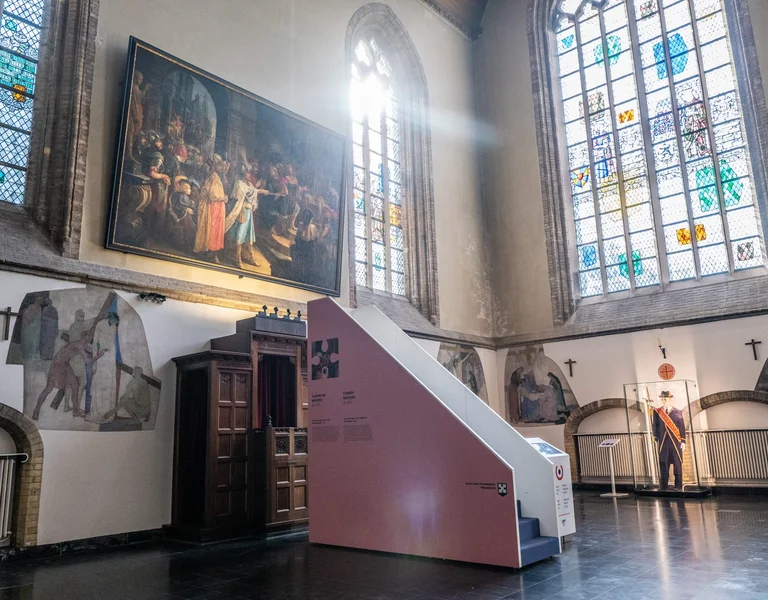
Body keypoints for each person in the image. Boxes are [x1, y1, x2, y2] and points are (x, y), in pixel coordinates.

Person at [31, 331, 107, 420]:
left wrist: (102, 350)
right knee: (49, 388)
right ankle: (36, 410)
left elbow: (93, 351)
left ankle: (76, 411)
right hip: (57, 365)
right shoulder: (78, 345)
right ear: (84, 336)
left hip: (66, 365)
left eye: (91, 335)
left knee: (75, 386)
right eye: (89, 335)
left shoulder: (84, 345)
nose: (91, 337)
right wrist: (99, 355)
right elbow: (87, 362)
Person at [225, 162, 270, 268]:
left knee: (249, 236)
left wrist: (263, 191)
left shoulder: (249, 184)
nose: (249, 175)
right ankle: (238, 259)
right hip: (242, 211)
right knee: (240, 235)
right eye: (247, 173)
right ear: (243, 173)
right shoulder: (239, 183)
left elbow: (253, 191)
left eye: (249, 173)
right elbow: (239, 199)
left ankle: (251, 257)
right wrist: (241, 213)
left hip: (249, 212)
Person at [194, 155, 229, 262]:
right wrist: (224, 198)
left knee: (216, 231)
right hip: (214, 208)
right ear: (215, 166)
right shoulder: (213, 177)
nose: (221, 168)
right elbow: (213, 195)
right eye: (219, 166)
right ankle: (213, 254)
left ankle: (211, 253)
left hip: (218, 208)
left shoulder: (217, 177)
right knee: (213, 231)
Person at [652, 391, 686, 491]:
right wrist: (656, 438)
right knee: (663, 464)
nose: (663, 401)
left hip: (675, 442)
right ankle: (664, 487)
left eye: (665, 399)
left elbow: (682, 427)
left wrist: (683, 441)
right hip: (663, 442)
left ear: (669, 399)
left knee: (677, 464)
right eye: (662, 399)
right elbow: (655, 426)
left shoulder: (678, 412)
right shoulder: (657, 412)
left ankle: (678, 486)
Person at [127, 71, 152, 162]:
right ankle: (128, 154)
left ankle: (130, 152)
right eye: (140, 79)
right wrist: (135, 116)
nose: (141, 81)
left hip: (139, 111)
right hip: (133, 112)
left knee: (135, 133)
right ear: (136, 78)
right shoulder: (133, 88)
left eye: (142, 79)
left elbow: (141, 98)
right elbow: (133, 102)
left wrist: (145, 89)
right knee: (130, 131)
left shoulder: (137, 88)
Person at [168, 177, 198, 249]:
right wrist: (186, 209)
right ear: (184, 188)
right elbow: (175, 206)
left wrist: (192, 204)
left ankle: (188, 242)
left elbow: (189, 204)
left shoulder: (185, 196)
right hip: (181, 215)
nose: (190, 190)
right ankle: (181, 244)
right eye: (189, 189)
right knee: (186, 226)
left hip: (187, 215)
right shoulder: (177, 195)